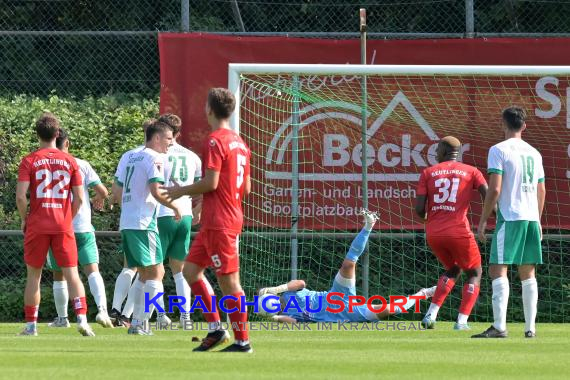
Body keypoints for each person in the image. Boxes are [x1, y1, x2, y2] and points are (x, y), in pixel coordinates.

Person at [163, 88, 252, 353]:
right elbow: (245, 188)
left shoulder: (215, 141)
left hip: (220, 222)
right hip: (221, 217)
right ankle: (216, 329)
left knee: (229, 281)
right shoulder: (240, 142)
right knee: (190, 271)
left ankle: (243, 341)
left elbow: (211, 182)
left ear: (209, 110)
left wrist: (181, 190)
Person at [259, 210, 435, 323]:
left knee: (348, 264)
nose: (277, 302)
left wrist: (274, 289)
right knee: (387, 309)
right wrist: (273, 318)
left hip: (335, 296)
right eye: (273, 305)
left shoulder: (288, 291)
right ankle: (423, 294)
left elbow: (301, 283)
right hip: (347, 314)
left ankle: (368, 226)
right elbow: (291, 322)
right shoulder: (288, 315)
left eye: (274, 301)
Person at [16, 113, 95, 336]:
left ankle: (32, 325)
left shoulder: (29, 160)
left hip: (38, 224)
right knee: (72, 274)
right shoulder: (70, 161)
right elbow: (79, 197)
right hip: (62, 224)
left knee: (34, 276)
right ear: (57, 134)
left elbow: (21, 197)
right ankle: (82, 319)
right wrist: (67, 219)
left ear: (37, 135)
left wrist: (24, 218)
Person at [472, 107, 546, 339]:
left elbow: (494, 189)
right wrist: (539, 219)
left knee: (497, 269)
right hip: (531, 218)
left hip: (511, 217)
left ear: (502, 124)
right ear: (524, 126)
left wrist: (483, 220)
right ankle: (530, 328)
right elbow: (541, 189)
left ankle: (500, 326)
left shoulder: (498, 150)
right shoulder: (535, 152)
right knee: (528, 272)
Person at [115, 120, 181, 335]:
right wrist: (174, 207)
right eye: (169, 138)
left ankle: (135, 322)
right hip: (143, 223)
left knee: (144, 274)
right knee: (157, 272)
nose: (171, 143)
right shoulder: (155, 158)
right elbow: (156, 190)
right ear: (157, 138)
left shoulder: (132, 155)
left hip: (128, 220)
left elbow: (116, 192)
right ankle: (140, 324)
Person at [415, 136, 488, 330]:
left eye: (437, 149)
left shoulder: (428, 172)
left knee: (454, 269)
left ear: (444, 151)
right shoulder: (472, 171)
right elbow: (488, 197)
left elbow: (420, 209)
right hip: (458, 231)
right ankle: (461, 322)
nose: (436, 153)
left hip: (434, 233)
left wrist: (427, 220)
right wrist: (495, 217)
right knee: (475, 271)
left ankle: (430, 316)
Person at [45, 129, 113, 328]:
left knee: (60, 274)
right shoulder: (81, 164)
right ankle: (102, 311)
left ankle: (63, 318)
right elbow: (103, 191)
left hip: (58, 225)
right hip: (82, 226)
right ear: (68, 143)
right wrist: (97, 199)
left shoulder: (45, 164)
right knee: (92, 270)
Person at [156, 114, 202, 326]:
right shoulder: (192, 156)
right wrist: (198, 210)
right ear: (179, 132)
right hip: (184, 215)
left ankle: (159, 315)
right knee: (179, 270)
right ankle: (186, 317)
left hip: (162, 213)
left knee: (153, 269)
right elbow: (201, 189)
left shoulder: (157, 154)